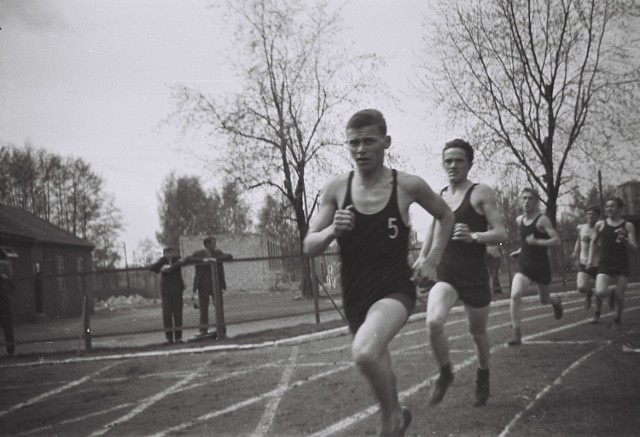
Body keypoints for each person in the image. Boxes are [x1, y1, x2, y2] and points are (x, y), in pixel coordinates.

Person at [303, 109, 454, 436]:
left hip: (395, 289)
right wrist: (330, 231)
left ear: (386, 142)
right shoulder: (336, 189)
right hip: (355, 294)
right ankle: (396, 414)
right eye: (353, 143)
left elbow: (445, 216)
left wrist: (431, 260)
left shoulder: (407, 185)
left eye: (368, 141)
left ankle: (390, 421)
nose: (360, 149)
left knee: (365, 352)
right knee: (375, 357)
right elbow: (308, 244)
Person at [422, 139, 507, 408]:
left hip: (474, 276)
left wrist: (475, 236)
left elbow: (502, 234)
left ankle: (483, 374)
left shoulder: (481, 193)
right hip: (447, 273)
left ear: (469, 163)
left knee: (477, 333)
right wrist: (423, 260)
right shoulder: (440, 196)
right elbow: (432, 232)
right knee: (433, 322)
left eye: (459, 160)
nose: (453, 165)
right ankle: (446, 372)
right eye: (448, 160)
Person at [508, 188, 563, 346]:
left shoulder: (542, 220)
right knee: (515, 294)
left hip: (541, 266)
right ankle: (517, 334)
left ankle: (555, 301)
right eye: (524, 198)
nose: (526, 201)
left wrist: (537, 242)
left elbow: (557, 241)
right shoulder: (519, 220)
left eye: (530, 198)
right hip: (525, 264)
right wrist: (520, 251)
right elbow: (525, 241)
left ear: (537, 201)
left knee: (544, 300)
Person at [587, 197, 637, 327]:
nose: (609, 208)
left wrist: (625, 239)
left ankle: (617, 318)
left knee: (620, 297)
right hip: (605, 263)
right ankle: (613, 291)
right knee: (600, 291)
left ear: (620, 208)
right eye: (607, 206)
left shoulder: (627, 225)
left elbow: (635, 248)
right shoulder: (600, 224)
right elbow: (593, 241)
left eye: (613, 206)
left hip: (621, 264)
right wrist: (589, 259)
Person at [186, 237, 233, 338]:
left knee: (219, 307)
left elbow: (229, 257)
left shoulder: (218, 252)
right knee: (203, 309)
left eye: (215, 243)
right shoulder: (199, 253)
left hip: (216, 284)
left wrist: (215, 260)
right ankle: (203, 331)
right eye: (213, 243)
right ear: (207, 244)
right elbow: (188, 259)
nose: (215, 245)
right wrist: (204, 260)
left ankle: (222, 331)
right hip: (203, 285)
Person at [150, 247, 186, 344]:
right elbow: (153, 267)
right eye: (167, 253)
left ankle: (178, 337)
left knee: (178, 315)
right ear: (164, 254)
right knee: (166, 315)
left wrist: (171, 267)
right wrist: (162, 268)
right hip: (166, 292)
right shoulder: (162, 261)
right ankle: (169, 338)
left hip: (177, 291)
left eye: (171, 252)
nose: (170, 255)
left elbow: (184, 262)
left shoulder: (177, 259)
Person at [569, 206, 600, 309]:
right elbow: (579, 241)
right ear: (586, 216)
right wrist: (575, 252)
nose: (591, 216)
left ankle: (597, 313)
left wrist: (592, 240)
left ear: (598, 216)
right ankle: (589, 293)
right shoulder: (581, 228)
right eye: (589, 214)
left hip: (597, 263)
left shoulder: (600, 228)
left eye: (593, 214)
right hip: (584, 262)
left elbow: (603, 244)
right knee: (581, 287)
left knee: (600, 290)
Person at [0, 251, 16, 356]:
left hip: (3, 299)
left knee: (7, 326)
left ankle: (11, 350)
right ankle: (11, 350)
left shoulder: (4, 264)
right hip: (4, 298)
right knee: (7, 326)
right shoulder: (5, 264)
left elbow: (11, 284)